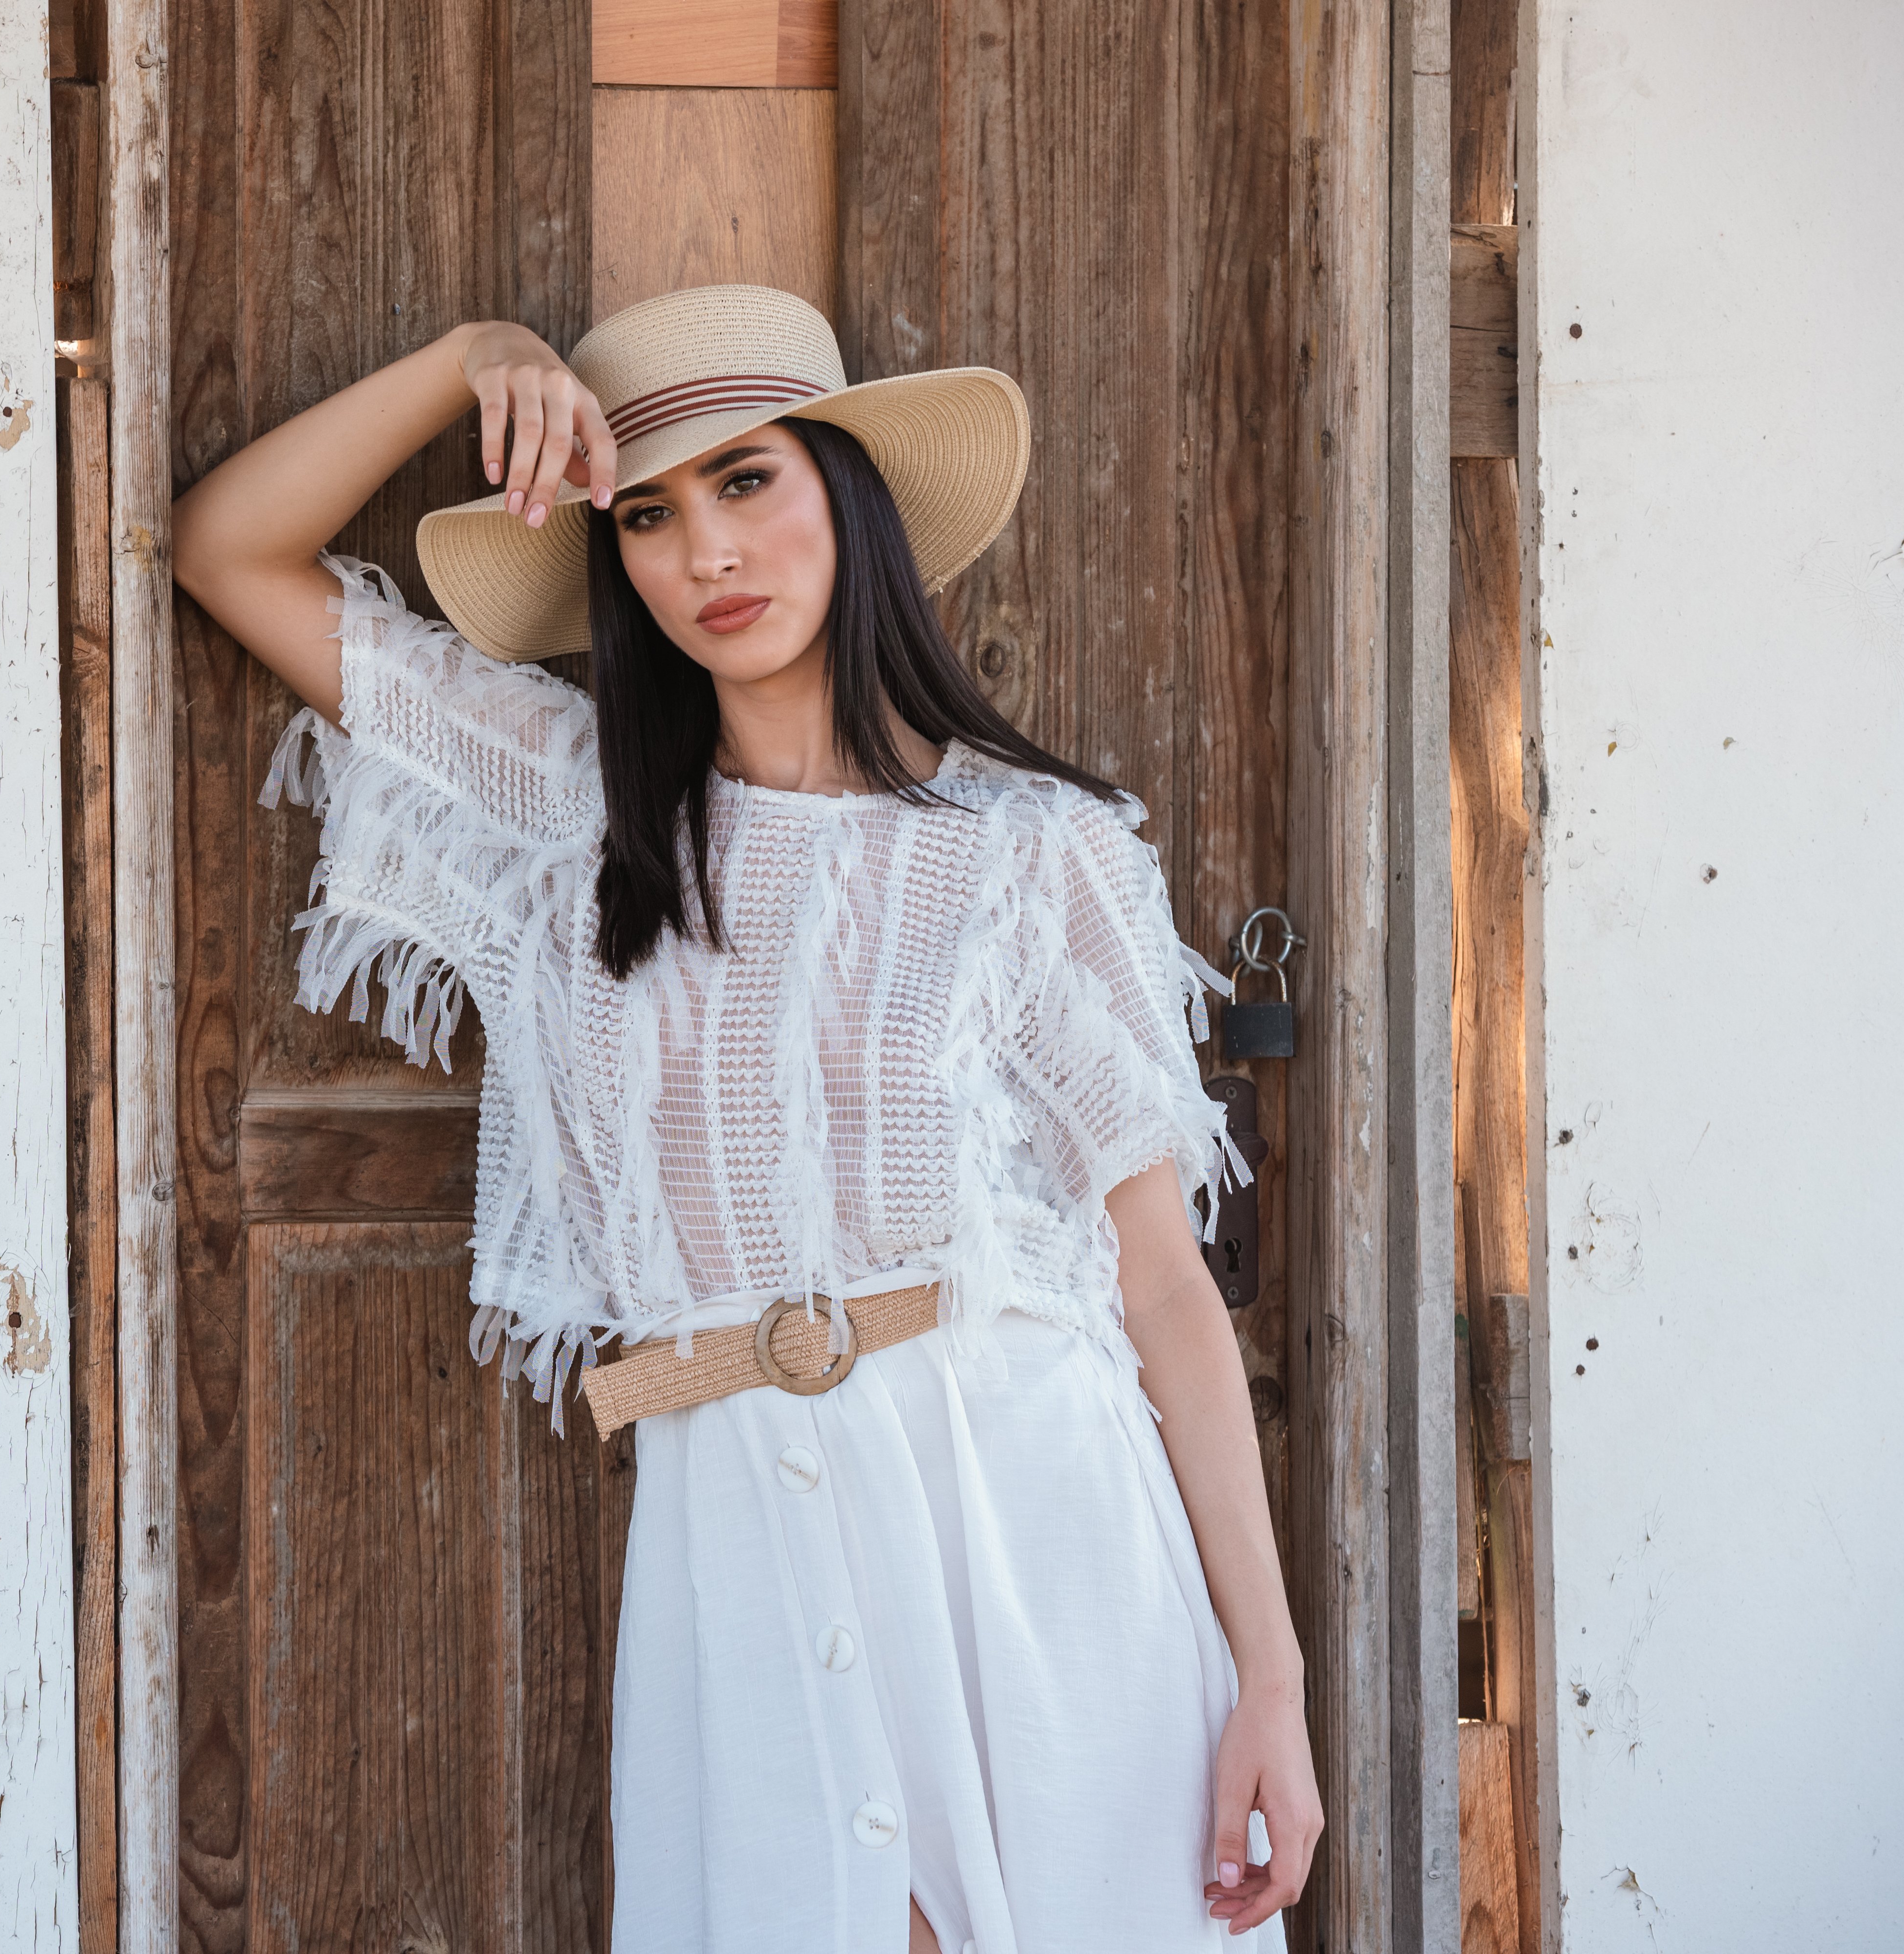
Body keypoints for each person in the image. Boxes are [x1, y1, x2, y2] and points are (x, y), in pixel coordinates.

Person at [171, 284, 1322, 1953]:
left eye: (749, 483)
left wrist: (1269, 1685)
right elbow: (227, 552)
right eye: (648, 512)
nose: (705, 551)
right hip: (737, 1523)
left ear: (847, 498)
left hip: (1034, 1533)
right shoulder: (570, 811)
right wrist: (468, 359)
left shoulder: (1035, 853)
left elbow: (1160, 1288)